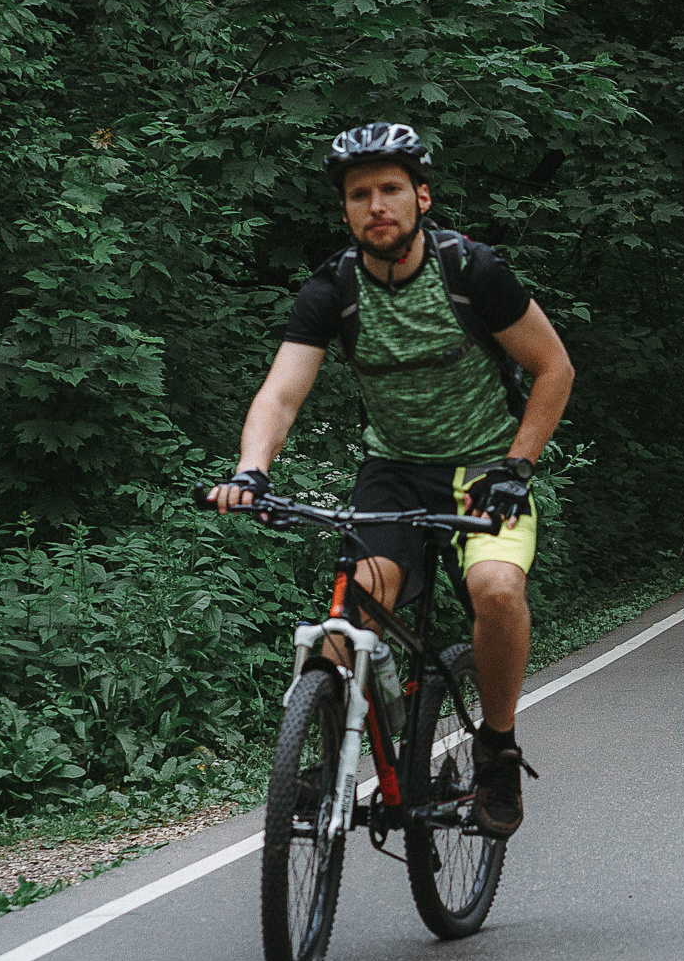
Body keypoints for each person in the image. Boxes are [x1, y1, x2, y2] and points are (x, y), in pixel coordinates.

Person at [205, 123, 575, 837]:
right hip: (395, 470)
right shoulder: (333, 289)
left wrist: (518, 466)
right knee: (358, 595)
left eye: (390, 190)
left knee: (496, 590)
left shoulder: (471, 271)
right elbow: (281, 394)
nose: (376, 204)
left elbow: (553, 367)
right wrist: (251, 470)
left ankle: (496, 746)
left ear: (421, 198)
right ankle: (323, 750)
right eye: (359, 194)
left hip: (484, 465)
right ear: (346, 211)